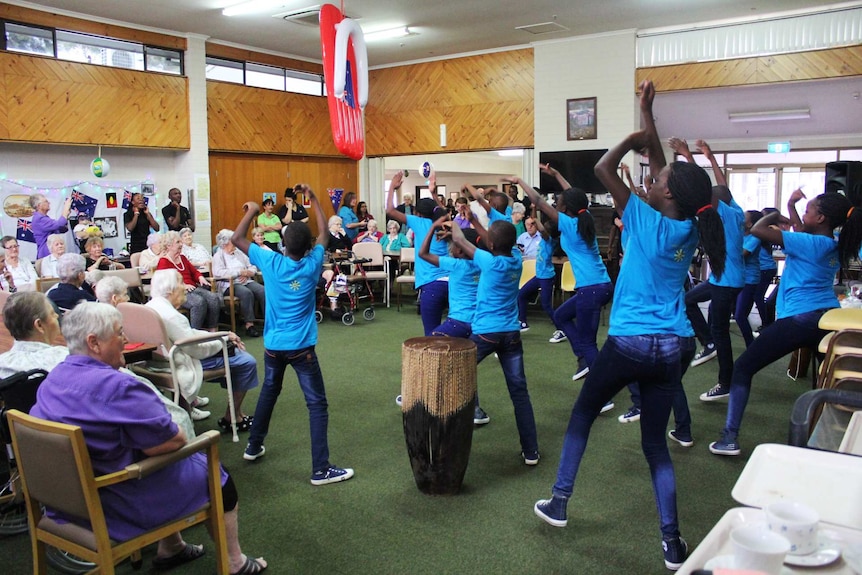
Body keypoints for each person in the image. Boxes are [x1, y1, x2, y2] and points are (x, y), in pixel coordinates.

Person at [533, 80, 727, 572]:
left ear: (666, 196)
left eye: (659, 180)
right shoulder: (687, 224)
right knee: (655, 446)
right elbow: (666, 170)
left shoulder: (643, 218)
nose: (653, 178)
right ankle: (672, 542)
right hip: (676, 345)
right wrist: (648, 113)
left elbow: (601, 168)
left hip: (633, 341)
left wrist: (630, 137)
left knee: (581, 415)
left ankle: (559, 501)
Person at [29, 302, 267, 574]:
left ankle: (172, 548)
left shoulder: (52, 379)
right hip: (111, 502)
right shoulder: (118, 385)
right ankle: (235, 563)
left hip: (65, 503)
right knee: (213, 471)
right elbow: (170, 441)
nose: (127, 340)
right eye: (119, 333)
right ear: (93, 343)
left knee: (141, 451)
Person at [709, 188, 862, 457]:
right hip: (826, 318)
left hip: (800, 319)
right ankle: (827, 439)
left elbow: (757, 229)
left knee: (743, 368)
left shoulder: (809, 243)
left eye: (809, 209)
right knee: (823, 377)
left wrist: (775, 214)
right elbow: (803, 230)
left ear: (822, 218)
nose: (804, 213)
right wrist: (791, 207)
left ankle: (729, 438)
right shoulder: (835, 241)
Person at [231, 187, 354, 486]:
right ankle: (320, 469)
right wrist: (313, 199)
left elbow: (237, 239)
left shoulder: (270, 261)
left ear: (283, 244)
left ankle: (253, 445)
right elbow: (325, 232)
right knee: (317, 405)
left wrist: (251, 210)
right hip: (302, 349)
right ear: (309, 246)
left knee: (270, 392)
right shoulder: (313, 264)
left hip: (273, 347)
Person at [447, 214, 539, 462]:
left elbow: (458, 238)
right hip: (511, 335)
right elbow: (493, 240)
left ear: (489, 244)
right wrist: (475, 220)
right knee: (520, 394)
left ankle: (450, 441)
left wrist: (450, 219)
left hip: (486, 334)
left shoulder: (488, 261)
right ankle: (531, 451)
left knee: (454, 372)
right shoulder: (517, 259)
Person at [519, 173, 613, 383]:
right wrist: (557, 175)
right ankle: (583, 359)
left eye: (560, 201)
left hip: (592, 288)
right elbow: (574, 194)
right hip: (601, 285)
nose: (557, 202)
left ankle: (601, 391)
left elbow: (538, 201)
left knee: (588, 342)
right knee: (561, 316)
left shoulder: (570, 224)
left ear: (565, 208)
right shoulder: (583, 216)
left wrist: (520, 181)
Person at [669, 139, 744, 402]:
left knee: (721, 330)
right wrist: (709, 158)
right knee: (688, 300)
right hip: (723, 280)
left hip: (727, 282)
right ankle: (708, 342)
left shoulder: (723, 214)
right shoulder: (736, 211)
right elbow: (721, 187)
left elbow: (706, 187)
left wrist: (689, 156)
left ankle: (725, 381)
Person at [148, 270, 260, 431]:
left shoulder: (151, 306)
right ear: (170, 289)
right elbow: (197, 350)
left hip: (158, 363)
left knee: (234, 352)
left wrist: (224, 335)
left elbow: (189, 334)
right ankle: (233, 417)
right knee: (246, 361)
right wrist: (223, 342)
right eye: (180, 283)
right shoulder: (173, 317)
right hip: (178, 364)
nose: (185, 287)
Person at [386, 171, 450, 335]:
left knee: (431, 333)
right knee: (457, 329)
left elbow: (390, 210)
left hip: (431, 284)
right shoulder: (446, 223)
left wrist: (392, 187)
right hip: (452, 282)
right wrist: (434, 193)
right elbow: (444, 213)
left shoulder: (419, 222)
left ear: (418, 213)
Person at [156, 231, 220, 330]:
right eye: (178, 242)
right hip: (177, 292)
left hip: (193, 288)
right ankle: (194, 332)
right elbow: (165, 282)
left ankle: (212, 329)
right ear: (169, 245)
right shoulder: (163, 261)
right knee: (199, 302)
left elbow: (194, 272)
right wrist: (183, 285)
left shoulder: (182, 258)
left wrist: (200, 277)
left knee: (214, 298)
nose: (181, 244)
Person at [0, 291, 67, 378]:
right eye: (52, 313)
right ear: (39, 325)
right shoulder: (66, 359)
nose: (57, 316)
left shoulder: (2, 364)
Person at [212, 229, 265, 338]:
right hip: (229, 285)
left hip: (246, 280)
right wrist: (239, 272)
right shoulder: (219, 255)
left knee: (263, 291)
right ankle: (249, 325)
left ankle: (269, 321)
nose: (236, 244)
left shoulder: (239, 252)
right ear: (225, 243)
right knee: (246, 293)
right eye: (233, 241)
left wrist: (250, 272)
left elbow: (252, 264)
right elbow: (218, 273)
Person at [517, 218, 564, 339]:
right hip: (539, 276)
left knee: (546, 305)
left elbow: (542, 229)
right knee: (521, 295)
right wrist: (534, 212)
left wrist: (537, 220)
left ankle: (561, 329)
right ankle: (523, 322)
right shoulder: (543, 240)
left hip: (546, 277)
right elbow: (541, 228)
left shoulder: (549, 241)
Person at [734, 210, 766, 347]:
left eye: (744, 217)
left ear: (750, 224)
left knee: (740, 316)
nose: (741, 219)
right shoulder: (741, 234)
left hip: (749, 280)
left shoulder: (755, 238)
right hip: (738, 278)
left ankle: (751, 345)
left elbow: (742, 254)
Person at [29, 193, 71, 259]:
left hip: (53, 254)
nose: (49, 203)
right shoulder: (39, 219)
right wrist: (65, 209)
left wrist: (66, 215)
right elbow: (60, 224)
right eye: (46, 201)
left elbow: (63, 229)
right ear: (39, 205)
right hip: (46, 255)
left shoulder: (45, 218)